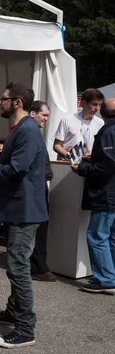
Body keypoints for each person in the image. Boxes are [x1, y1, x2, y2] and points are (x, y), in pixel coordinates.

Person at [0, 82, 47, 349]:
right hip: (18, 208)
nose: (0, 102)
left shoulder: (28, 130)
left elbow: (17, 168)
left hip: (25, 210)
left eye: (4, 98)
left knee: (19, 268)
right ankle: (13, 311)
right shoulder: (22, 128)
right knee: (15, 266)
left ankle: (25, 328)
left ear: (17, 102)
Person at [71, 98, 115, 294]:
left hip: (105, 194)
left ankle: (106, 279)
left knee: (97, 236)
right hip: (112, 194)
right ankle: (110, 275)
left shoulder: (108, 131)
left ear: (102, 113)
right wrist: (93, 158)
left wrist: (82, 167)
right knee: (111, 236)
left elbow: (106, 165)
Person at [28, 101, 56, 282]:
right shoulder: (31, 133)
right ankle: (39, 267)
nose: (46, 119)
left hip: (39, 186)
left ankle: (39, 266)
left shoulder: (33, 133)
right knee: (38, 228)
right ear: (32, 113)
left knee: (39, 228)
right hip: (36, 187)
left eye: (47, 115)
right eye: (44, 115)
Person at [53, 88, 105, 160]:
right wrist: (70, 156)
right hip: (67, 164)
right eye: (94, 104)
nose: (97, 108)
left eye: (100, 105)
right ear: (84, 103)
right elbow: (56, 145)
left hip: (88, 164)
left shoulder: (100, 123)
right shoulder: (67, 120)